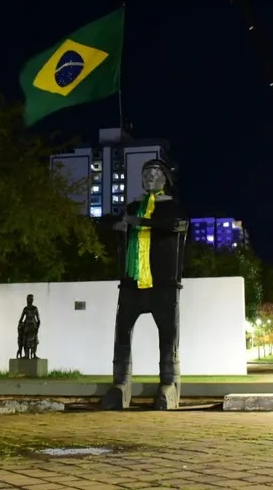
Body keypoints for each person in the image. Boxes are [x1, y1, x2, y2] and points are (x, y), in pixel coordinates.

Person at [103, 158, 188, 410]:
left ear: (165, 179)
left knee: (168, 335)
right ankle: (120, 382)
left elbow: (178, 226)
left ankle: (169, 383)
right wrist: (119, 225)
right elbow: (111, 224)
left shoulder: (172, 207)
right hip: (131, 283)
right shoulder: (133, 206)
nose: (149, 177)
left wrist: (140, 223)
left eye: (155, 173)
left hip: (164, 283)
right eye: (145, 173)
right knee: (122, 333)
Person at [16, 294, 40, 359]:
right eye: (28, 299)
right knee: (25, 341)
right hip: (26, 328)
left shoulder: (35, 308)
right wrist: (20, 326)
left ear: (32, 300)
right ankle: (26, 355)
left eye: (31, 299)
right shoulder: (25, 309)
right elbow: (21, 319)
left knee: (34, 341)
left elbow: (39, 320)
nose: (29, 301)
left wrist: (37, 328)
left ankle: (34, 354)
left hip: (33, 328)